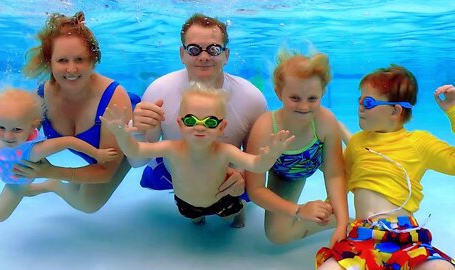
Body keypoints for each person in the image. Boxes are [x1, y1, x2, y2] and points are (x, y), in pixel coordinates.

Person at [316, 65, 455, 269]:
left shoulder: (418, 143)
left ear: (395, 111)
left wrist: (453, 111)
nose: (360, 107)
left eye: (368, 102)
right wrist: (329, 207)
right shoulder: (356, 143)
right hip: (361, 234)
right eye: (360, 100)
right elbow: (343, 180)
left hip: (404, 236)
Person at [101, 83, 293, 227]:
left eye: (209, 122)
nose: (199, 126)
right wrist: (121, 134)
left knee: (228, 215)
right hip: (185, 201)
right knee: (194, 217)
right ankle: (199, 215)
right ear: (180, 124)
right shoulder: (171, 148)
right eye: (191, 120)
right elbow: (136, 151)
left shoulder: (225, 151)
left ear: (221, 127)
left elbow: (256, 165)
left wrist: (272, 153)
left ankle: (239, 213)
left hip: (221, 199)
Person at [10, 11, 140, 213]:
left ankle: (53, 187)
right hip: (97, 154)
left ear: (93, 60)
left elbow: (105, 171)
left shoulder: (113, 97)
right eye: (62, 60)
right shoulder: (41, 97)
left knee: (88, 204)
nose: (71, 69)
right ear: (49, 62)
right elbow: (16, 128)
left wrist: (52, 174)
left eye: (80, 59)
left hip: (126, 148)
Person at [130, 13, 267, 200]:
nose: (204, 57)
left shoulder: (252, 99)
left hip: (227, 181)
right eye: (194, 49)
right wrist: (137, 129)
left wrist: (243, 176)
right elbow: (137, 161)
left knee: (243, 199)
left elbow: (258, 163)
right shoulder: (158, 91)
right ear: (182, 54)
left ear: (226, 55)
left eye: (214, 49)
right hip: (175, 177)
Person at [245, 50, 348, 247]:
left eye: (312, 98)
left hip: (322, 161)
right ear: (278, 92)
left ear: (322, 94)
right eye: (295, 98)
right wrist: (299, 210)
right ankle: (338, 218)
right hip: (287, 174)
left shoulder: (325, 121)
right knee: (278, 235)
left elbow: (335, 174)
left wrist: (341, 225)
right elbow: (255, 189)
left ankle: (361, 217)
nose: (303, 106)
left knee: (358, 168)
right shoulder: (266, 127)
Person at [0, 88, 118, 221]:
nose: (7, 135)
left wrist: (97, 153)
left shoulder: (35, 151)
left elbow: (69, 141)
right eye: (1, 127)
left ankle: (50, 185)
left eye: (17, 130)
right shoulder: (1, 121)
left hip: (18, 176)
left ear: (32, 127)